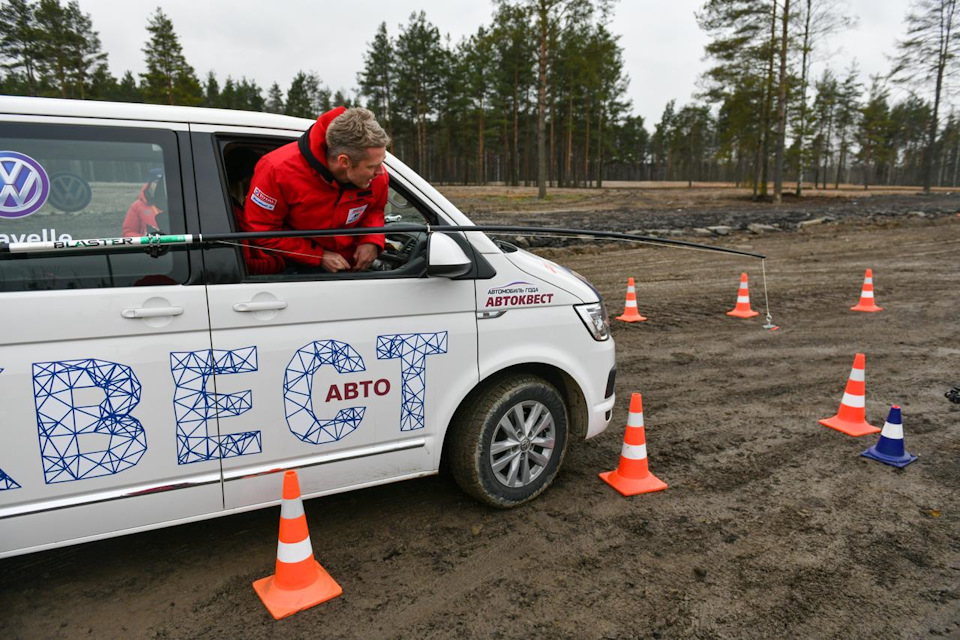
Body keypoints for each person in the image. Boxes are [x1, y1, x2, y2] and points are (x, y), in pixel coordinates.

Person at [241, 106, 390, 273]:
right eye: (372, 166)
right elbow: (262, 229)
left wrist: (371, 240)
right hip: (296, 269)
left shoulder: (375, 175)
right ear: (344, 161)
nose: (381, 171)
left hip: (352, 268)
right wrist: (317, 256)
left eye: (382, 161)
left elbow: (375, 209)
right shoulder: (277, 170)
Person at [122, 168, 164, 237]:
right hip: (148, 244)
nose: (159, 185)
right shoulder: (137, 206)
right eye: (156, 182)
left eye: (162, 182)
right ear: (149, 184)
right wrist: (144, 238)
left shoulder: (176, 203)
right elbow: (127, 233)